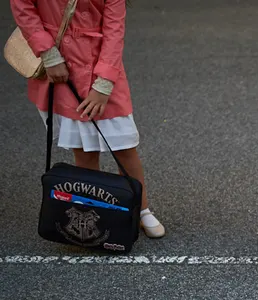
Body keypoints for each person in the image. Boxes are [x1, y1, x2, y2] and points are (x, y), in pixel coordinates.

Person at [11, 0, 165, 239]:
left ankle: (141, 209)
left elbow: (114, 32)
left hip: (100, 69)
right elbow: (23, 7)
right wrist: (50, 56)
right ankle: (96, 212)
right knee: (84, 150)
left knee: (124, 147)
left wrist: (103, 85)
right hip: (60, 67)